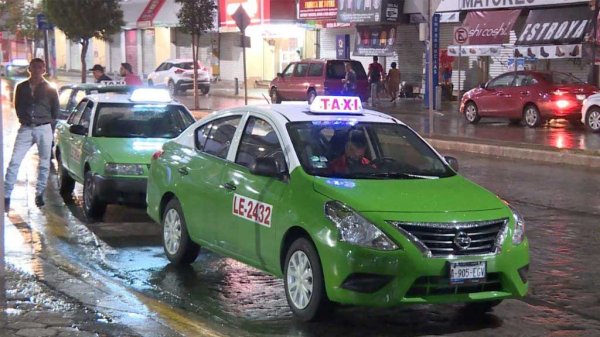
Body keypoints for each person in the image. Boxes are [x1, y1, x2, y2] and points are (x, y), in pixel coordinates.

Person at [4, 58, 59, 210]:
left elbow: (55, 110)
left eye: (40, 67)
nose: (36, 70)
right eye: (34, 67)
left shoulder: (49, 89)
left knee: (44, 162)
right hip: (26, 127)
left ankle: (39, 193)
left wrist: (49, 126)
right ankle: (6, 195)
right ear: (29, 69)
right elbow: (17, 105)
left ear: (44, 70)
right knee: (15, 161)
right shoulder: (21, 87)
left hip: (44, 127)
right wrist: (24, 118)